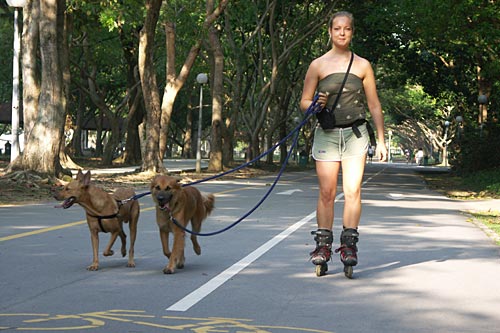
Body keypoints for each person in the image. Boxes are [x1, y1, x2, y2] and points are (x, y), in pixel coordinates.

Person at [300, 11, 387, 276]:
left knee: (353, 191)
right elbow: (304, 101)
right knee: (327, 193)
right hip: (327, 133)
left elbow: (373, 104)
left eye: (347, 29)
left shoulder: (362, 65)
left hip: (355, 134)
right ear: (329, 31)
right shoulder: (318, 65)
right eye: (337, 28)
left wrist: (382, 139)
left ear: (352, 32)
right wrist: (315, 104)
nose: (342, 33)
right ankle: (323, 246)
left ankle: (349, 245)